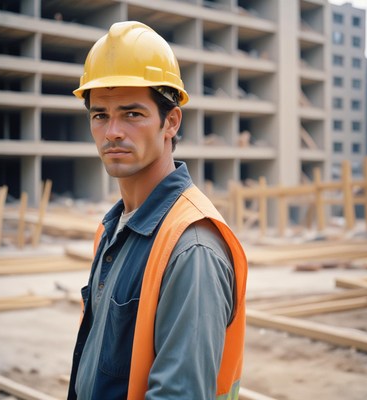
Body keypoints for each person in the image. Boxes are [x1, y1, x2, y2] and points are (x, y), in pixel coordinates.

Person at [67, 21, 248, 400]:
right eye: (100, 115)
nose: (112, 131)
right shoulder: (114, 228)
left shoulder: (191, 247)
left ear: (171, 121)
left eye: (132, 114)